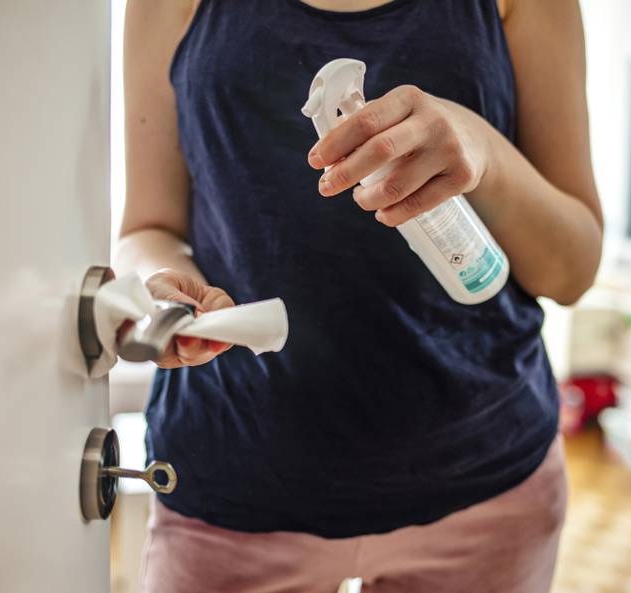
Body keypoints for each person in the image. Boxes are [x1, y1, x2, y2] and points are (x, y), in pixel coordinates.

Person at [119, 0, 602, 591]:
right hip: (232, 483)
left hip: (485, 486)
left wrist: (484, 150)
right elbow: (147, 228)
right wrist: (159, 292)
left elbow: (573, 270)